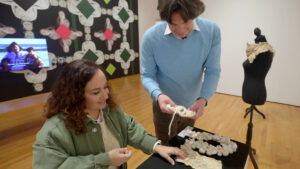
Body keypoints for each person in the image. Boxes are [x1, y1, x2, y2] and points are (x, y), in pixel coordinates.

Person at [32, 60, 186, 169]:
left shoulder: (109, 109)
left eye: (105, 87)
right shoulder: (54, 131)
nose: (105, 95)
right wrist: (104, 160)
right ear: (75, 96)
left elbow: (130, 130)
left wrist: (156, 146)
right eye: (96, 92)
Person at [141, 0, 221, 144]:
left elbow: (213, 71)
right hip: (164, 106)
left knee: (185, 145)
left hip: (193, 104)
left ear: (195, 13)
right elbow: (147, 75)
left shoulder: (211, 31)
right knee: (165, 148)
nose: (181, 30)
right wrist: (158, 95)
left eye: (186, 22)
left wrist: (203, 99)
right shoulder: (151, 38)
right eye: (173, 24)